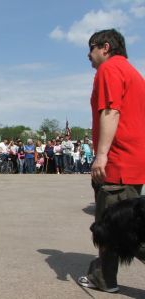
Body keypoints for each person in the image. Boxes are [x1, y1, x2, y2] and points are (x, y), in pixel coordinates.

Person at [78, 29, 145, 293]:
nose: (89, 55)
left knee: (119, 230)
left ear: (105, 47)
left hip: (117, 162)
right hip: (134, 162)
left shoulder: (109, 70)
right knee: (120, 228)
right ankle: (104, 277)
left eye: (91, 48)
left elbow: (110, 111)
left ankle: (105, 278)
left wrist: (102, 155)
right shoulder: (133, 73)